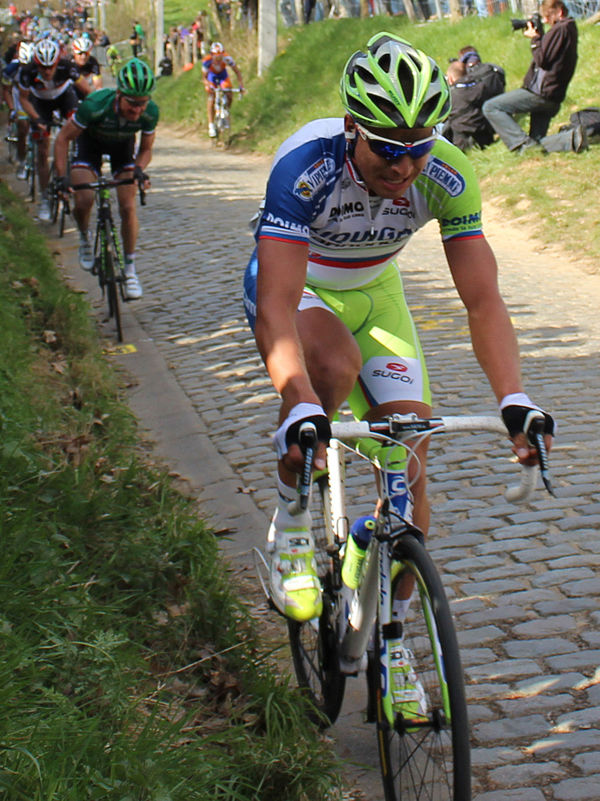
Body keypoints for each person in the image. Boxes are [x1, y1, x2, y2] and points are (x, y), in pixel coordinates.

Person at [242, 33, 554, 707]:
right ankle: (294, 512)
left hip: (376, 292)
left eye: (419, 146)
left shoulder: (445, 171)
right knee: (330, 366)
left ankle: (392, 636)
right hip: (303, 292)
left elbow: (483, 298)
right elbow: (275, 303)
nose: (405, 165)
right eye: (387, 147)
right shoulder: (305, 166)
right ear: (353, 127)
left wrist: (514, 397)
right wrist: (297, 400)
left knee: (409, 454)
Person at [53, 58, 158, 300]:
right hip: (90, 144)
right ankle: (84, 237)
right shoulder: (94, 105)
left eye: (143, 104)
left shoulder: (150, 113)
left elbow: (146, 149)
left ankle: (130, 270)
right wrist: (61, 177)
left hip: (123, 147)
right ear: (119, 94)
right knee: (84, 198)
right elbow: (62, 139)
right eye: (132, 104)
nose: (137, 110)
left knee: (128, 205)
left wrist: (140, 170)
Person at [482, 0, 578, 154]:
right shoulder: (567, 30)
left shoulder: (561, 29)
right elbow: (549, 55)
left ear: (559, 11)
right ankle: (572, 138)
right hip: (552, 96)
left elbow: (543, 60)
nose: (546, 20)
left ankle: (522, 146)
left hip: (541, 94)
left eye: (548, 16)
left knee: (491, 107)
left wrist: (535, 39)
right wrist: (540, 37)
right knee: (537, 144)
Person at [18, 38, 89, 221]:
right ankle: (44, 198)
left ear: (58, 62)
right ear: (36, 64)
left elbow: (87, 91)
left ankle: (73, 162)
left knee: (76, 127)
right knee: (42, 149)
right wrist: (36, 119)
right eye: (43, 67)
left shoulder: (67, 67)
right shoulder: (27, 71)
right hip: (39, 103)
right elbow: (24, 99)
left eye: (51, 66)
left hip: (64, 97)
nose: (47, 71)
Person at [442, 48, 505, 151]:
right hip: (484, 135)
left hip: (461, 139)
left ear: (450, 79)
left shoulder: (452, 95)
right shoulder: (481, 86)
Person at [202, 41, 244, 138]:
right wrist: (207, 85)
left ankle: (226, 110)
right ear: (212, 55)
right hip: (211, 76)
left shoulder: (227, 58)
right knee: (211, 97)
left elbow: (237, 72)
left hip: (223, 76)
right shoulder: (207, 61)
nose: (218, 59)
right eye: (216, 57)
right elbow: (204, 77)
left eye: (220, 56)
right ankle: (211, 125)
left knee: (229, 91)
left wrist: (241, 85)